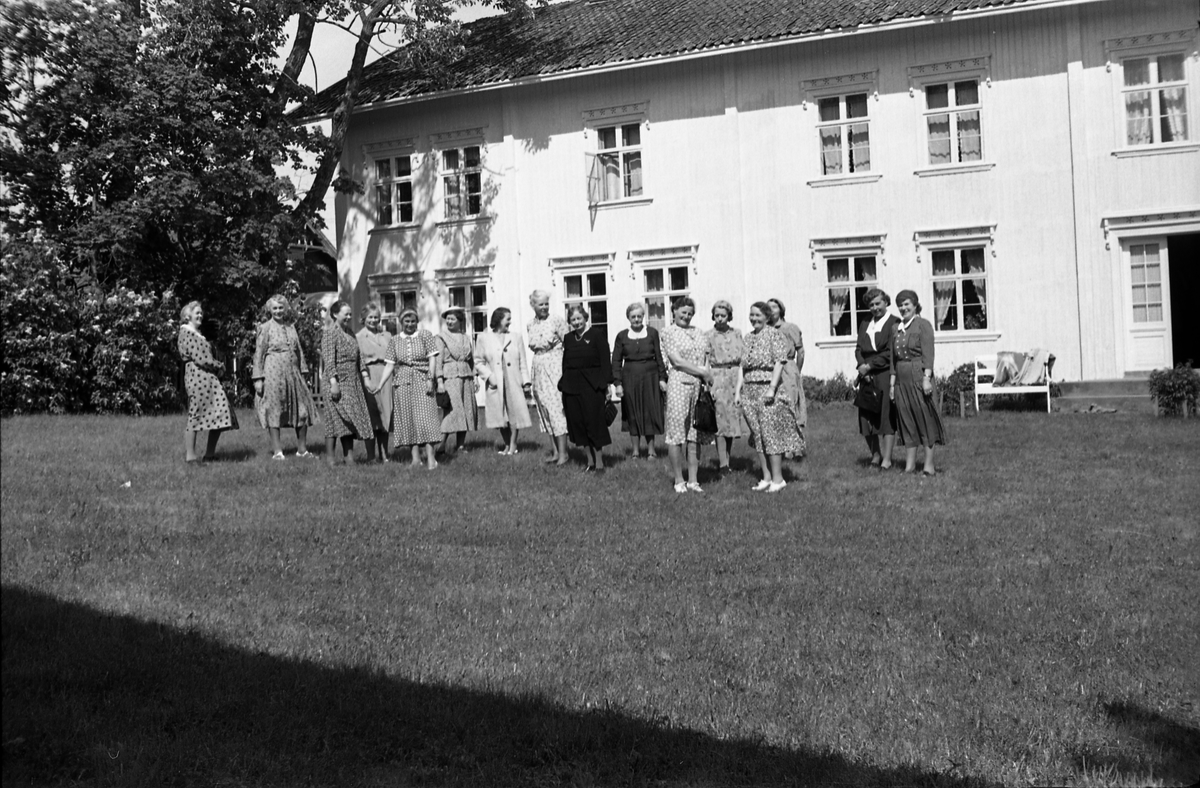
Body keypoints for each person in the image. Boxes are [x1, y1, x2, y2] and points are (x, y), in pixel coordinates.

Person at [736, 302, 805, 492]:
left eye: (758, 315)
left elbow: (779, 363)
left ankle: (778, 479)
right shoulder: (748, 338)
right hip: (749, 390)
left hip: (767, 388)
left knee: (770, 434)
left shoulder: (774, 334)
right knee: (758, 434)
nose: (754, 319)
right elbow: (742, 366)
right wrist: (738, 391)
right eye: (751, 315)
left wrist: (772, 389)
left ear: (767, 317)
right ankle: (766, 477)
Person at [373, 308, 440, 470]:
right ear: (401, 322)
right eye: (406, 321)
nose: (410, 324)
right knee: (408, 419)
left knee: (427, 419)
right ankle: (415, 459)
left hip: (423, 379)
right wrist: (380, 385)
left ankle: (431, 459)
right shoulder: (395, 340)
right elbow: (390, 365)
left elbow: (432, 359)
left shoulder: (425, 335)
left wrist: (430, 378)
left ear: (417, 322)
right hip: (402, 382)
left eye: (413, 321)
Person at [890, 289, 947, 475]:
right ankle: (910, 466)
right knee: (906, 420)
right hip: (901, 379)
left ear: (915, 305)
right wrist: (892, 385)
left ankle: (929, 465)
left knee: (925, 419)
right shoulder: (896, 328)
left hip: (918, 376)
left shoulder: (923, 325)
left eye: (907, 304)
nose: (903, 308)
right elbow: (892, 360)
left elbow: (928, 355)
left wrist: (926, 378)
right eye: (900, 305)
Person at [660, 296, 714, 493]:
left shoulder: (699, 332)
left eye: (690, 313)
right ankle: (678, 480)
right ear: (674, 311)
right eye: (683, 312)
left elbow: (706, 357)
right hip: (679, 384)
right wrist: (702, 372)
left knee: (695, 433)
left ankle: (693, 480)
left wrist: (706, 376)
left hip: (698, 386)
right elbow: (677, 361)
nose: (687, 316)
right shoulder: (668, 332)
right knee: (676, 433)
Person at [252, 294, 315, 460]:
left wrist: (303, 372)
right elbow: (259, 354)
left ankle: (302, 450)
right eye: (275, 308)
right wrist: (258, 378)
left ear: (285, 309)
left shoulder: (291, 327)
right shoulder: (265, 328)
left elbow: (299, 351)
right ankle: (278, 452)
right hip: (273, 373)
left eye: (281, 308)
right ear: (270, 310)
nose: (278, 311)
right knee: (274, 409)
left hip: (293, 373)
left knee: (302, 409)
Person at [177, 301, 238, 462]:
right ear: (187, 316)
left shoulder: (197, 334)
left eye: (201, 313)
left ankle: (209, 455)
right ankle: (191, 456)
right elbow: (201, 358)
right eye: (196, 312)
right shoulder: (187, 333)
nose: (200, 315)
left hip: (208, 377)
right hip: (197, 377)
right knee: (195, 414)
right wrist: (219, 365)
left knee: (222, 411)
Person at [320, 300, 376, 465]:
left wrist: (365, 377)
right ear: (335, 314)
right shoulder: (330, 333)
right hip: (336, 381)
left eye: (351, 314)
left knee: (349, 420)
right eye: (346, 314)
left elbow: (360, 358)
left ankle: (349, 458)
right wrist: (333, 383)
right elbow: (329, 360)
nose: (349, 317)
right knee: (333, 421)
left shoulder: (350, 333)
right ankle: (330, 460)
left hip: (352, 382)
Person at [611, 302, 666, 459]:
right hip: (629, 377)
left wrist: (662, 378)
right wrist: (618, 383)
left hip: (650, 377)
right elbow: (616, 361)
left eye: (639, 316)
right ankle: (635, 451)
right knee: (632, 412)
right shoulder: (622, 336)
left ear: (643, 316)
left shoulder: (652, 333)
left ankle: (651, 451)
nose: (636, 319)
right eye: (633, 316)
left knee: (649, 412)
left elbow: (659, 356)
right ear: (628, 318)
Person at [560, 304, 612, 471]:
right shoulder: (568, 338)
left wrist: (607, 385)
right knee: (578, 424)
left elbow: (605, 360)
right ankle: (590, 462)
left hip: (592, 386)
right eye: (573, 320)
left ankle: (600, 463)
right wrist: (564, 386)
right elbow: (565, 363)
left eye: (579, 318)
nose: (576, 322)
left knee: (594, 423)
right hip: (572, 387)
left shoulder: (597, 335)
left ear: (585, 318)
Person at [474, 307, 531, 455]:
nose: (510, 322)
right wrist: (489, 377)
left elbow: (522, 361)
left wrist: (526, 382)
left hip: (513, 381)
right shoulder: (484, 338)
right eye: (508, 319)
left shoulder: (516, 337)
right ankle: (506, 444)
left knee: (514, 413)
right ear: (499, 319)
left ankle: (513, 445)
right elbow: (478, 362)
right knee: (500, 416)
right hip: (496, 383)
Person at [855, 288, 899, 469]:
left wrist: (870, 366)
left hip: (884, 373)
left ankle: (887, 459)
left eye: (878, 303)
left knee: (886, 415)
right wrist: (861, 366)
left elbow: (891, 351)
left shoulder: (894, 322)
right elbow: (859, 348)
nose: (874, 308)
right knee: (866, 416)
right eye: (871, 305)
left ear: (886, 302)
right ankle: (875, 455)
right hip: (866, 374)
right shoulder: (865, 322)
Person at [526, 290, 570, 465]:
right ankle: (555, 452)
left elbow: (569, 343)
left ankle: (564, 454)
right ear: (533, 305)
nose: (544, 307)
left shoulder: (556, 320)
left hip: (555, 365)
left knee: (556, 408)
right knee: (544, 408)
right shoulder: (530, 324)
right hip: (538, 367)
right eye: (541, 304)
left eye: (546, 303)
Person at [704, 300, 744, 474]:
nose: (720, 318)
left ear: (729, 316)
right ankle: (722, 464)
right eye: (717, 315)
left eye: (723, 315)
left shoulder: (737, 333)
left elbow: (742, 359)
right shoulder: (708, 335)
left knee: (732, 422)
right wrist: (707, 383)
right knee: (720, 421)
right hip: (717, 377)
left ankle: (727, 459)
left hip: (734, 377)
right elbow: (705, 361)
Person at [767, 297, 808, 457]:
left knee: (791, 404)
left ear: (781, 310)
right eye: (768, 308)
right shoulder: (766, 329)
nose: (771, 311)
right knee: (777, 407)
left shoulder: (790, 328)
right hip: (771, 369)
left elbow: (801, 351)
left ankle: (796, 447)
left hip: (788, 367)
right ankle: (783, 447)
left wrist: (796, 371)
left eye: (774, 307)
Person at [435, 307, 479, 455]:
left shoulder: (466, 338)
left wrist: (475, 377)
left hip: (466, 377)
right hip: (450, 377)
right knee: (453, 411)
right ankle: (440, 445)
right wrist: (439, 381)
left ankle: (460, 446)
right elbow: (438, 361)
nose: (449, 321)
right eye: (447, 319)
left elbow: (471, 360)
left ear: (460, 321)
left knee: (466, 410)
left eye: (452, 319)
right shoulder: (441, 337)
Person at [356, 301, 393, 461]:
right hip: (368, 374)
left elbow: (393, 357)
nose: (373, 320)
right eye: (370, 317)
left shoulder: (387, 336)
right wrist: (366, 379)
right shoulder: (358, 337)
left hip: (386, 374)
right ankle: (371, 456)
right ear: (363, 318)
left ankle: (384, 454)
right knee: (371, 415)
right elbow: (359, 360)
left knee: (385, 414)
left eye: (376, 317)